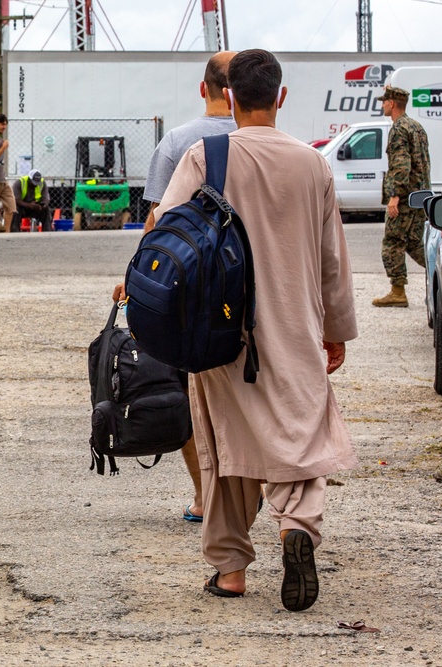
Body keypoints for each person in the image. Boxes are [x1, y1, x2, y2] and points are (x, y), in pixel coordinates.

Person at [151, 50, 358, 611]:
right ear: (281, 97)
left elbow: (166, 236)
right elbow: (331, 257)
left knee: (225, 440)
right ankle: (297, 526)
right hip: (295, 324)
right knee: (301, 433)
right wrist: (335, 328)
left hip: (220, 330)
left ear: (231, 98)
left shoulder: (205, 155)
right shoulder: (312, 164)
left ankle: (231, 568)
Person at [130, 51, 237, 523]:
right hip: (249, 287)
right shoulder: (265, 141)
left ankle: (205, 496)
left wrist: (131, 281)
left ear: (204, 89)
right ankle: (253, 496)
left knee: (191, 393)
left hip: (189, 292)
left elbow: (155, 223)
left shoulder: (176, 141)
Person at [372, 84, 430, 308]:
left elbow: (401, 164)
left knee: (393, 243)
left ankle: (398, 292)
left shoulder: (398, 129)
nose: (383, 105)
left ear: (392, 103)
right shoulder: (416, 127)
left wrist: (394, 195)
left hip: (405, 198)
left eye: (384, 102)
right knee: (416, 243)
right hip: (419, 195)